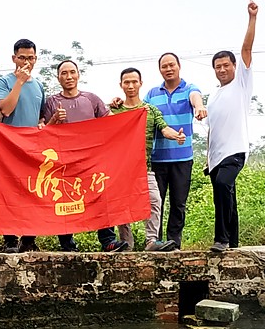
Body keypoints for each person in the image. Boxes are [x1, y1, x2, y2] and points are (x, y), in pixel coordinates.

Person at [39, 60, 116, 251]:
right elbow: (43, 133)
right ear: (58, 77)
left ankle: (108, 240)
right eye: (64, 73)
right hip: (64, 160)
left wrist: (129, 113)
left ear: (78, 74)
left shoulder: (91, 99)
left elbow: (112, 122)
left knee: (100, 195)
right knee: (64, 199)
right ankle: (67, 243)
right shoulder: (51, 102)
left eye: (72, 72)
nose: (69, 77)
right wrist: (55, 120)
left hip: (91, 159)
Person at [108, 67, 186, 250]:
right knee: (122, 207)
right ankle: (126, 244)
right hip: (120, 169)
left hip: (144, 167)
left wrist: (177, 136)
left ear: (140, 84)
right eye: (126, 82)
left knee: (154, 200)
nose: (130, 86)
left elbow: (163, 128)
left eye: (134, 81)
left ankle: (151, 240)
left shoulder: (149, 110)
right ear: (121, 85)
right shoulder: (113, 111)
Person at [205, 0, 258, 252]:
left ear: (235, 66)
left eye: (226, 65)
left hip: (234, 152)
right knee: (227, 197)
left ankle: (222, 240)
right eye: (218, 66)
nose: (222, 69)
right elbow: (212, 130)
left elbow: (246, 49)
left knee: (224, 188)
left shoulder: (241, 84)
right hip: (215, 157)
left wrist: (252, 18)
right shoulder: (213, 95)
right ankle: (234, 244)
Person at [144, 52, 207, 251]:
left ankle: (175, 242)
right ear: (160, 70)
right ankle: (157, 242)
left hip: (182, 158)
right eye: (164, 66)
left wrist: (199, 107)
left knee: (179, 203)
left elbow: (196, 98)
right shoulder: (152, 94)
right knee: (157, 203)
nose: (169, 69)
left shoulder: (189, 88)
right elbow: (138, 110)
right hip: (157, 158)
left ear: (179, 66)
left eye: (172, 65)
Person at [0, 38, 44, 252]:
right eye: (22, 57)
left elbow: (40, 116)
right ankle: (9, 238)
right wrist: (19, 82)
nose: (26, 62)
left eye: (30, 58)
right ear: (14, 58)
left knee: (32, 191)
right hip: (9, 146)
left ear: (36, 59)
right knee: (9, 191)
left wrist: (44, 124)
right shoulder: (4, 81)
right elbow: (6, 109)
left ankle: (29, 238)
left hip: (32, 147)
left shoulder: (39, 85)